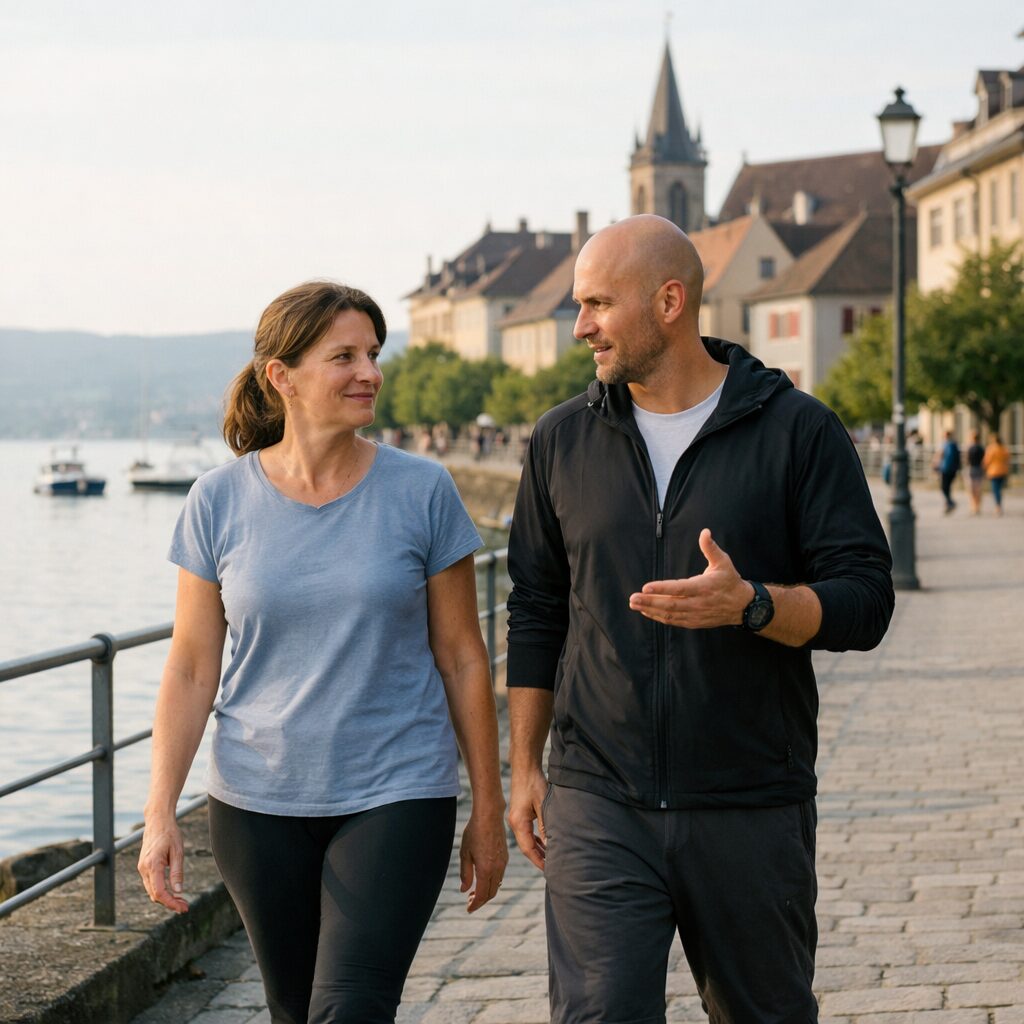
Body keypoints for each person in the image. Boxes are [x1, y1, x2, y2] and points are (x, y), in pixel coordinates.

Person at [504, 215, 894, 1023]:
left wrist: (754, 605)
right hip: (598, 796)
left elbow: (866, 601)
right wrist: (525, 766)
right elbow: (536, 610)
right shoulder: (559, 441)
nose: (580, 327)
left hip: (750, 797)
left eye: (598, 304)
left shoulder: (799, 430)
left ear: (669, 301)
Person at [137, 281, 507, 1024]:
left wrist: (488, 807)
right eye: (344, 357)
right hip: (255, 801)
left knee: (351, 1006)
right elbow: (191, 668)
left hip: (398, 789)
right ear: (283, 376)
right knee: (294, 1009)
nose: (370, 372)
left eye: (373, 353)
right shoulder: (216, 500)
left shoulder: (424, 491)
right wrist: (159, 812)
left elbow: (464, 657)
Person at [983, 433, 1011, 516]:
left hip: (993, 471)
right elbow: (1008, 459)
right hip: (1003, 471)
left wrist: (984, 469)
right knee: (999, 489)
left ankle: (998, 506)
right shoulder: (1004, 449)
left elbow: (987, 461)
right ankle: (999, 505)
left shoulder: (991, 449)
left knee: (996, 490)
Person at [935, 430, 961, 514]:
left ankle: (950, 502)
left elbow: (942, 455)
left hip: (946, 468)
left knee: (944, 487)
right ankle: (948, 504)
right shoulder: (953, 444)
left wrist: (937, 464)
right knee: (947, 487)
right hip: (950, 468)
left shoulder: (947, 445)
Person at [966, 430, 986, 515]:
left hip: (975, 469)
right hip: (976, 469)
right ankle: (975, 506)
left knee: (974, 490)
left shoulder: (974, 448)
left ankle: (975, 507)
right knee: (975, 490)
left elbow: (967, 459)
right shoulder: (980, 448)